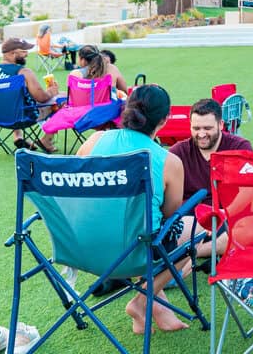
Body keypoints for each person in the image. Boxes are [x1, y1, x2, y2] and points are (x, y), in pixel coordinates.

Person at [77, 84, 214, 334]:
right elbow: (171, 214)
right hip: (132, 252)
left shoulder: (94, 141)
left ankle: (160, 310)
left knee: (140, 228)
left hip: (81, 247)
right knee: (193, 229)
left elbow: (79, 188)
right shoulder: (168, 161)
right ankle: (141, 301)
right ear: (164, 120)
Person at [168, 98, 253, 206]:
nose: (201, 134)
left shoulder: (240, 149)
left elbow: (248, 192)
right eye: (196, 128)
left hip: (230, 215)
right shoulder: (178, 153)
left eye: (207, 128)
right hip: (191, 218)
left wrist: (222, 217)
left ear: (221, 125)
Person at [0, 38, 61, 152]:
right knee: (61, 99)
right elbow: (42, 98)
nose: (27, 54)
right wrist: (51, 91)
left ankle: (17, 136)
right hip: (24, 118)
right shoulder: (23, 72)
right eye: (24, 51)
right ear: (12, 53)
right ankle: (46, 140)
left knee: (14, 99)